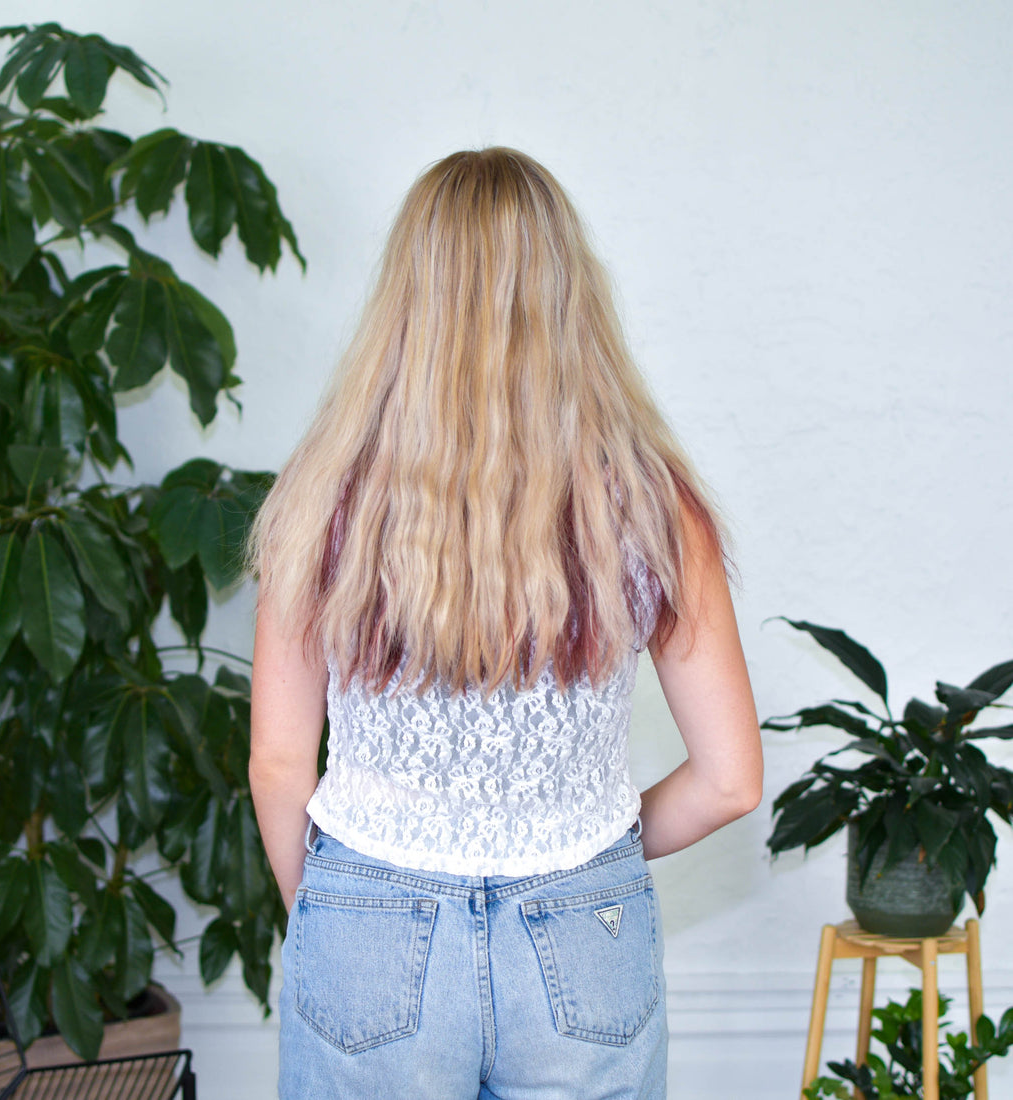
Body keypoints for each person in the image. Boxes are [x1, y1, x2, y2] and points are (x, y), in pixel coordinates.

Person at [248, 147, 762, 1100]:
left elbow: (280, 765)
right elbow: (731, 782)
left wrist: (329, 916)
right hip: (583, 925)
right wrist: (593, 854)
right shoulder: (653, 510)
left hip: (367, 913)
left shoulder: (319, 498)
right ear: (573, 295)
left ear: (406, 295)